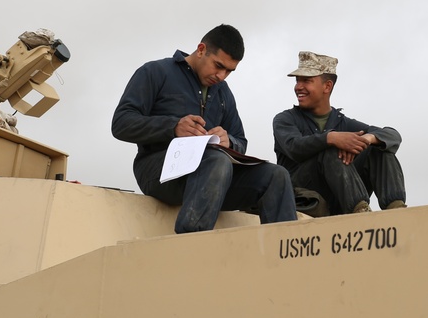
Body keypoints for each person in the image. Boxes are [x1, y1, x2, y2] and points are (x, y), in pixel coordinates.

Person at [112, 25, 297, 233]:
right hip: (159, 171)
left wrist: (229, 141)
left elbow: (241, 140)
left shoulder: (223, 92)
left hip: (214, 177)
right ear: (201, 50)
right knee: (216, 161)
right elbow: (121, 123)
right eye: (218, 66)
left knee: (276, 175)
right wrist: (173, 127)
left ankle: (283, 256)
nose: (221, 76)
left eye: (229, 71)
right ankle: (192, 247)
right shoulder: (155, 72)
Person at [273, 51, 406, 215]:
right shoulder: (285, 119)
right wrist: (331, 138)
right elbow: (294, 147)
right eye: (297, 81)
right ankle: (360, 211)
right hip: (304, 200)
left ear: (327, 86)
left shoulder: (344, 123)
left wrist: (368, 139)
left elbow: (393, 135)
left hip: (339, 200)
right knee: (330, 150)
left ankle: (397, 211)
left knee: (380, 148)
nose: (298, 87)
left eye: (306, 81)